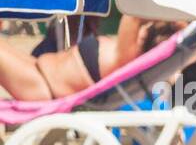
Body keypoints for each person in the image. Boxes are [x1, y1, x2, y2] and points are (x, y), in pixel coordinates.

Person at [0, 16, 173, 101]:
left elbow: (132, 15)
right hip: (36, 72)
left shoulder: (127, 56)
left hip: (40, 85)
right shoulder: (127, 56)